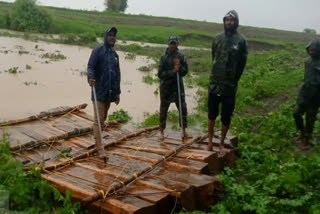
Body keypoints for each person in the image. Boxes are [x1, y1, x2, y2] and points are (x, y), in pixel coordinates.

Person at [207, 10, 248, 154]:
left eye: (232, 20)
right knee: (211, 114)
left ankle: (222, 143)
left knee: (226, 116)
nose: (229, 22)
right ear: (224, 22)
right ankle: (210, 141)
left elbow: (242, 64)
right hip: (214, 84)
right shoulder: (217, 38)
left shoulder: (241, 41)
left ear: (236, 22)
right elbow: (214, 57)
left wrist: (233, 79)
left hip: (229, 87)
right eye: (227, 20)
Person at [87, 27, 121, 160]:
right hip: (99, 90)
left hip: (110, 92)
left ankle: (97, 139)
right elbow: (90, 67)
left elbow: (117, 74)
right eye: (110, 35)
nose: (112, 37)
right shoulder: (97, 51)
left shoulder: (115, 55)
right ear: (105, 37)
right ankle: (99, 146)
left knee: (103, 118)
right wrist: (91, 77)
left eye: (114, 35)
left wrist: (118, 93)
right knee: (99, 119)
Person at [158, 35, 191, 140]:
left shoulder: (181, 57)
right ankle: (161, 131)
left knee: (183, 108)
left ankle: (184, 130)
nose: (172, 45)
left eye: (174, 43)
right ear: (168, 44)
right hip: (166, 88)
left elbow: (185, 71)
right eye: (171, 43)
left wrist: (179, 67)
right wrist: (173, 71)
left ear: (177, 44)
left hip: (178, 88)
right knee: (163, 109)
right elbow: (160, 74)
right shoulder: (163, 58)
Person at [293, 39, 320, 149]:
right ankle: (302, 132)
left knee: (310, 118)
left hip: (317, 94)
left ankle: (307, 139)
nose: (311, 52)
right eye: (310, 50)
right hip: (305, 91)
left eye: (314, 50)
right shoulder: (307, 61)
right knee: (296, 113)